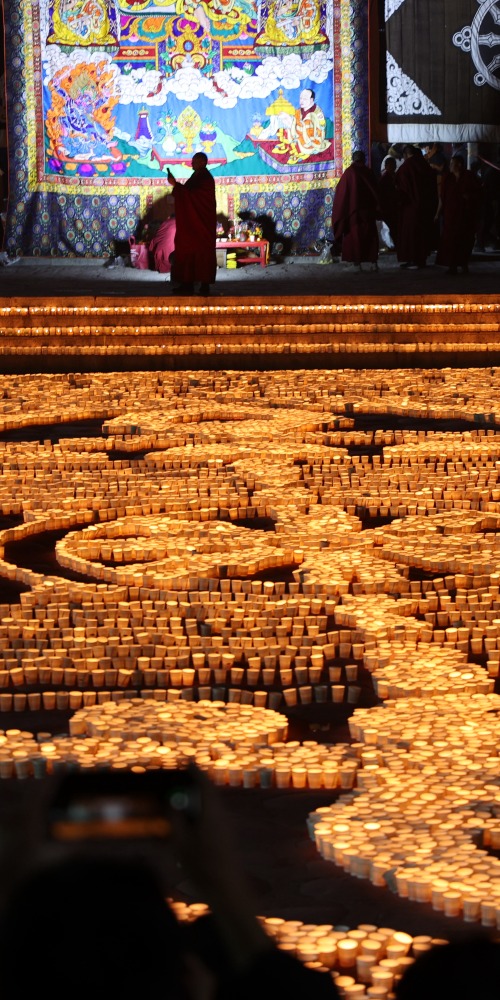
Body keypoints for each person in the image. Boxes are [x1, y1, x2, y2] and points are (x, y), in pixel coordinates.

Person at [167, 152, 217, 295]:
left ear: (203, 162)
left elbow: (192, 196)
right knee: (187, 251)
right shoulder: (197, 176)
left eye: (194, 161)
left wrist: (175, 184)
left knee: (203, 253)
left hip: (202, 225)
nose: (191, 163)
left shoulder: (205, 178)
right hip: (192, 225)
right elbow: (188, 193)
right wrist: (177, 186)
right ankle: (187, 284)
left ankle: (204, 285)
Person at [331, 150, 380, 271]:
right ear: (364, 159)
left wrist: (341, 212)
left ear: (353, 159)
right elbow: (376, 191)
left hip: (354, 212)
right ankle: (374, 263)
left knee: (356, 237)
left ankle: (357, 264)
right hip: (368, 211)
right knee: (371, 235)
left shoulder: (350, 172)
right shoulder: (369, 172)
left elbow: (342, 194)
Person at [435, 154, 482, 274]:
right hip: (450, 216)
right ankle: (452, 266)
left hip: (465, 216)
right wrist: (437, 213)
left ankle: (464, 264)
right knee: (450, 241)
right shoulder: (447, 178)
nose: (450, 166)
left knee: (465, 240)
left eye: (452, 164)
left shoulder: (469, 177)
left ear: (459, 165)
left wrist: (469, 197)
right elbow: (442, 198)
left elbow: (480, 194)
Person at [395, 144, 437, 269]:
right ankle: (422, 259)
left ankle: (413, 259)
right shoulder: (424, 164)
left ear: (406, 154)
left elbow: (400, 188)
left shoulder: (406, 167)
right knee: (422, 232)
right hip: (426, 206)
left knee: (411, 234)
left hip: (410, 206)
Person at [378, 155, 398, 249]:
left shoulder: (396, 176)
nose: (392, 167)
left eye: (393, 165)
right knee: (389, 228)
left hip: (395, 206)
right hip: (387, 207)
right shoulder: (384, 179)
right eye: (390, 165)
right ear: (386, 167)